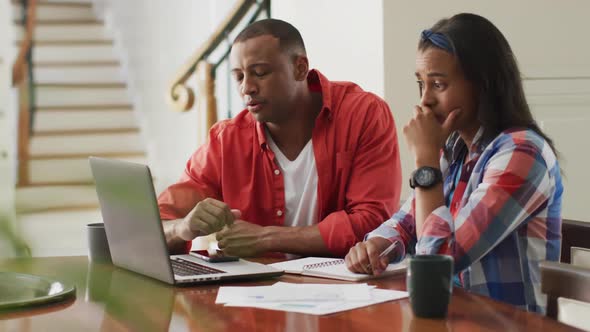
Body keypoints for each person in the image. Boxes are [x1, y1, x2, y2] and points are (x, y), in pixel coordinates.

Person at [345, 13, 563, 313]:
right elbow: (408, 223)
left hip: (503, 324)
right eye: (422, 84)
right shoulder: (455, 148)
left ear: (482, 84)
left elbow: (439, 259)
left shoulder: (522, 153)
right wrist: (378, 245)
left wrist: (425, 163)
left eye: (438, 84)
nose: (424, 101)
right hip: (450, 317)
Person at [158, 19, 402, 258]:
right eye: (239, 77)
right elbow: (155, 225)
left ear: (300, 68)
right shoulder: (226, 140)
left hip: (347, 290)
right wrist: (182, 228)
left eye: (260, 73)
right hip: (257, 291)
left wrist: (266, 238)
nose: (247, 88)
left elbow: (373, 223)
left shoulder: (362, 114)